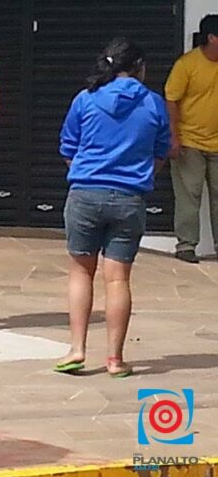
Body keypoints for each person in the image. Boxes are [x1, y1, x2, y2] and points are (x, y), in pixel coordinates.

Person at [54, 38, 170, 378]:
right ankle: (115, 359)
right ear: (139, 67)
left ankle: (77, 349)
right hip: (130, 198)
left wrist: (87, 173)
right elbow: (162, 151)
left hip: (85, 194)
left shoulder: (85, 99)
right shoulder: (153, 103)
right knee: (118, 280)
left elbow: (68, 147)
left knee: (81, 272)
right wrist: (139, 176)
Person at [165, 14, 218, 264]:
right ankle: (186, 245)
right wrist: (173, 137)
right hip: (189, 142)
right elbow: (171, 100)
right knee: (189, 195)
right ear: (212, 38)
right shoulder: (187, 64)